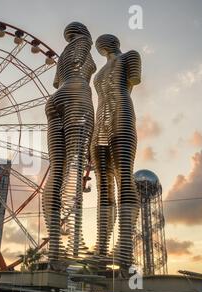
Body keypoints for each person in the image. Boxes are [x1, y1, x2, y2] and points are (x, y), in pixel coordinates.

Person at [43, 22, 96, 267]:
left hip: (56, 98)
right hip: (78, 93)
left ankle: (54, 244)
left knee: (57, 169)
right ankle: (75, 240)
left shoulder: (63, 55)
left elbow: (56, 83)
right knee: (75, 166)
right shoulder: (85, 43)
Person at [91, 34, 141, 268]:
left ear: (115, 42)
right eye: (99, 43)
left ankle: (124, 248)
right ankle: (101, 249)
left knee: (123, 176)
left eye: (105, 41)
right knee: (103, 185)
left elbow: (133, 81)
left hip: (121, 113)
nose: (101, 45)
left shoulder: (131, 56)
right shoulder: (99, 72)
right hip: (100, 120)